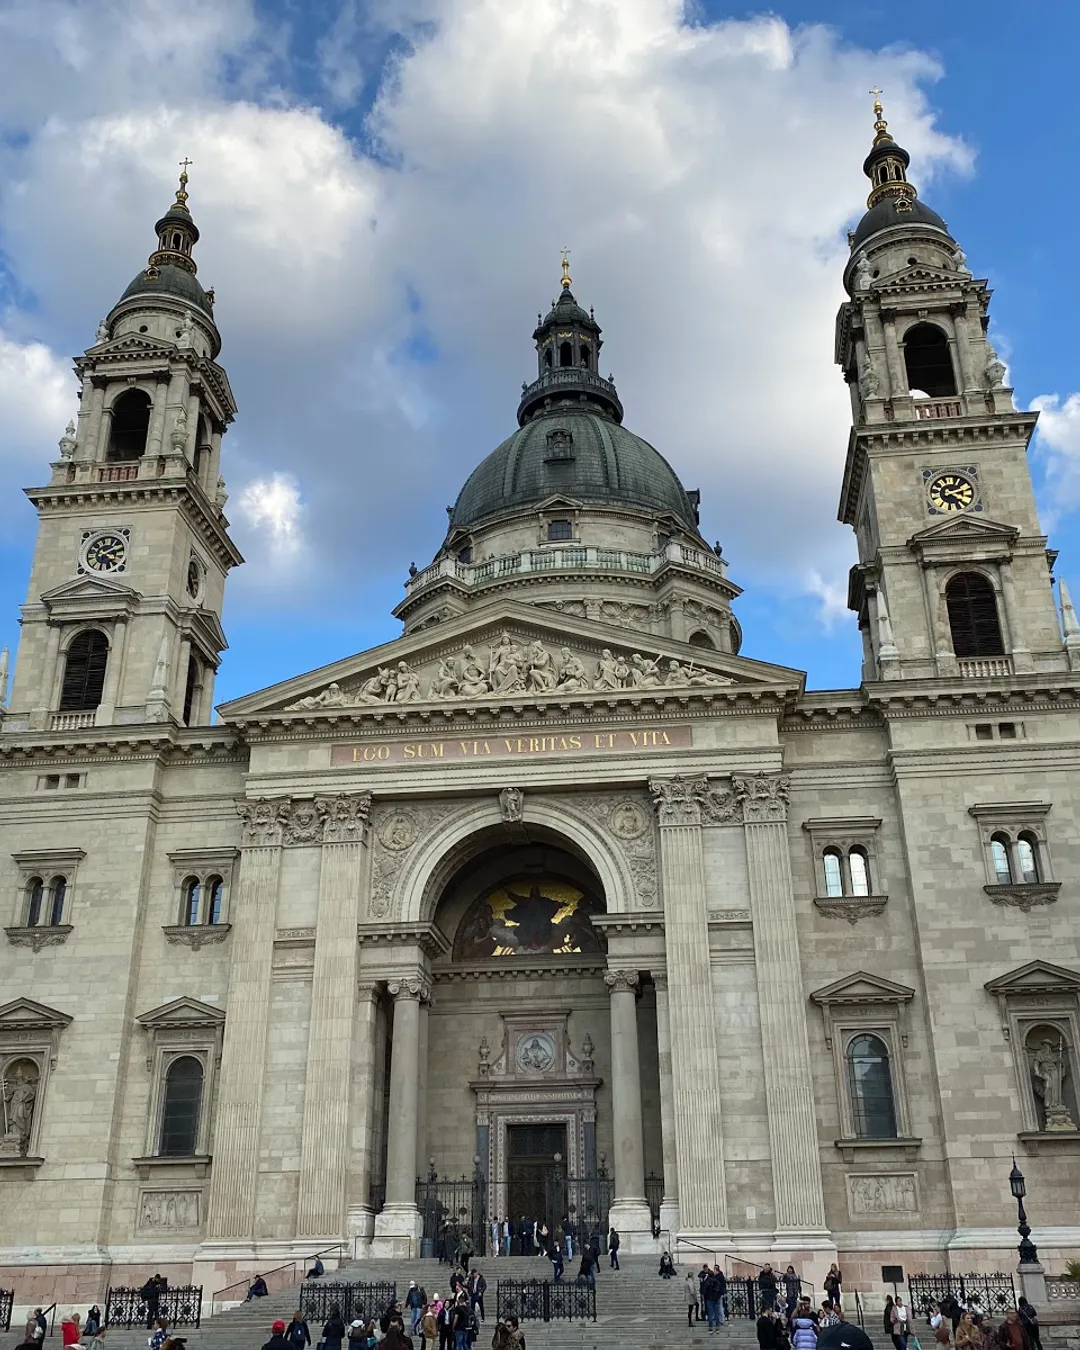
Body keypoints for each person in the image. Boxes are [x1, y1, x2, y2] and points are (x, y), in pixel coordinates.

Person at [703, 1267, 725, 1334]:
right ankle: (717, 1328)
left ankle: (711, 1328)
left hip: (709, 1299)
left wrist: (706, 1297)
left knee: (710, 1314)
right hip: (716, 1299)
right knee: (716, 1313)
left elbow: (705, 1292)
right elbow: (721, 1291)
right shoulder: (717, 1282)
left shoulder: (707, 1282)